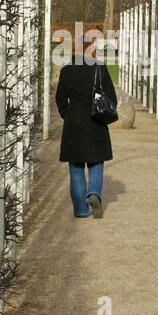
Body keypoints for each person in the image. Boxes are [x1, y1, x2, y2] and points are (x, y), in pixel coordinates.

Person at [55, 32, 116, 218]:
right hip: (96, 122)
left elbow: (60, 99)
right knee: (96, 162)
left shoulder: (67, 70)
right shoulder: (100, 68)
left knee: (76, 167)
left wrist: (68, 114)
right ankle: (94, 192)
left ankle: (81, 210)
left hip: (74, 123)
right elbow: (111, 97)